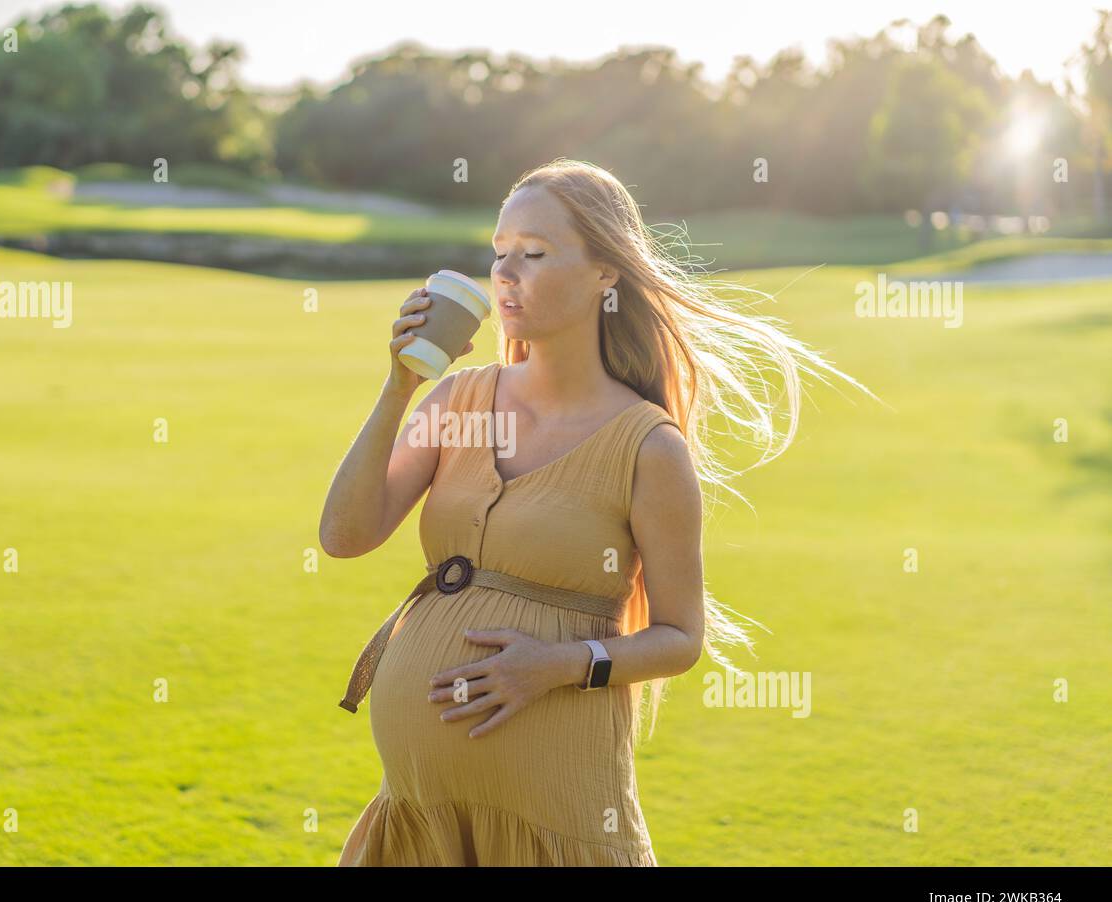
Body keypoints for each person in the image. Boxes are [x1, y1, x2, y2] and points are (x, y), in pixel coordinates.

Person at [319, 157, 868, 866]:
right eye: (499, 253)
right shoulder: (456, 402)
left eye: (536, 253)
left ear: (606, 273)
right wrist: (399, 387)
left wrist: (555, 665)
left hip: (557, 821)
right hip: (419, 820)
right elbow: (344, 535)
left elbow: (678, 638)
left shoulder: (646, 446)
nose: (507, 274)